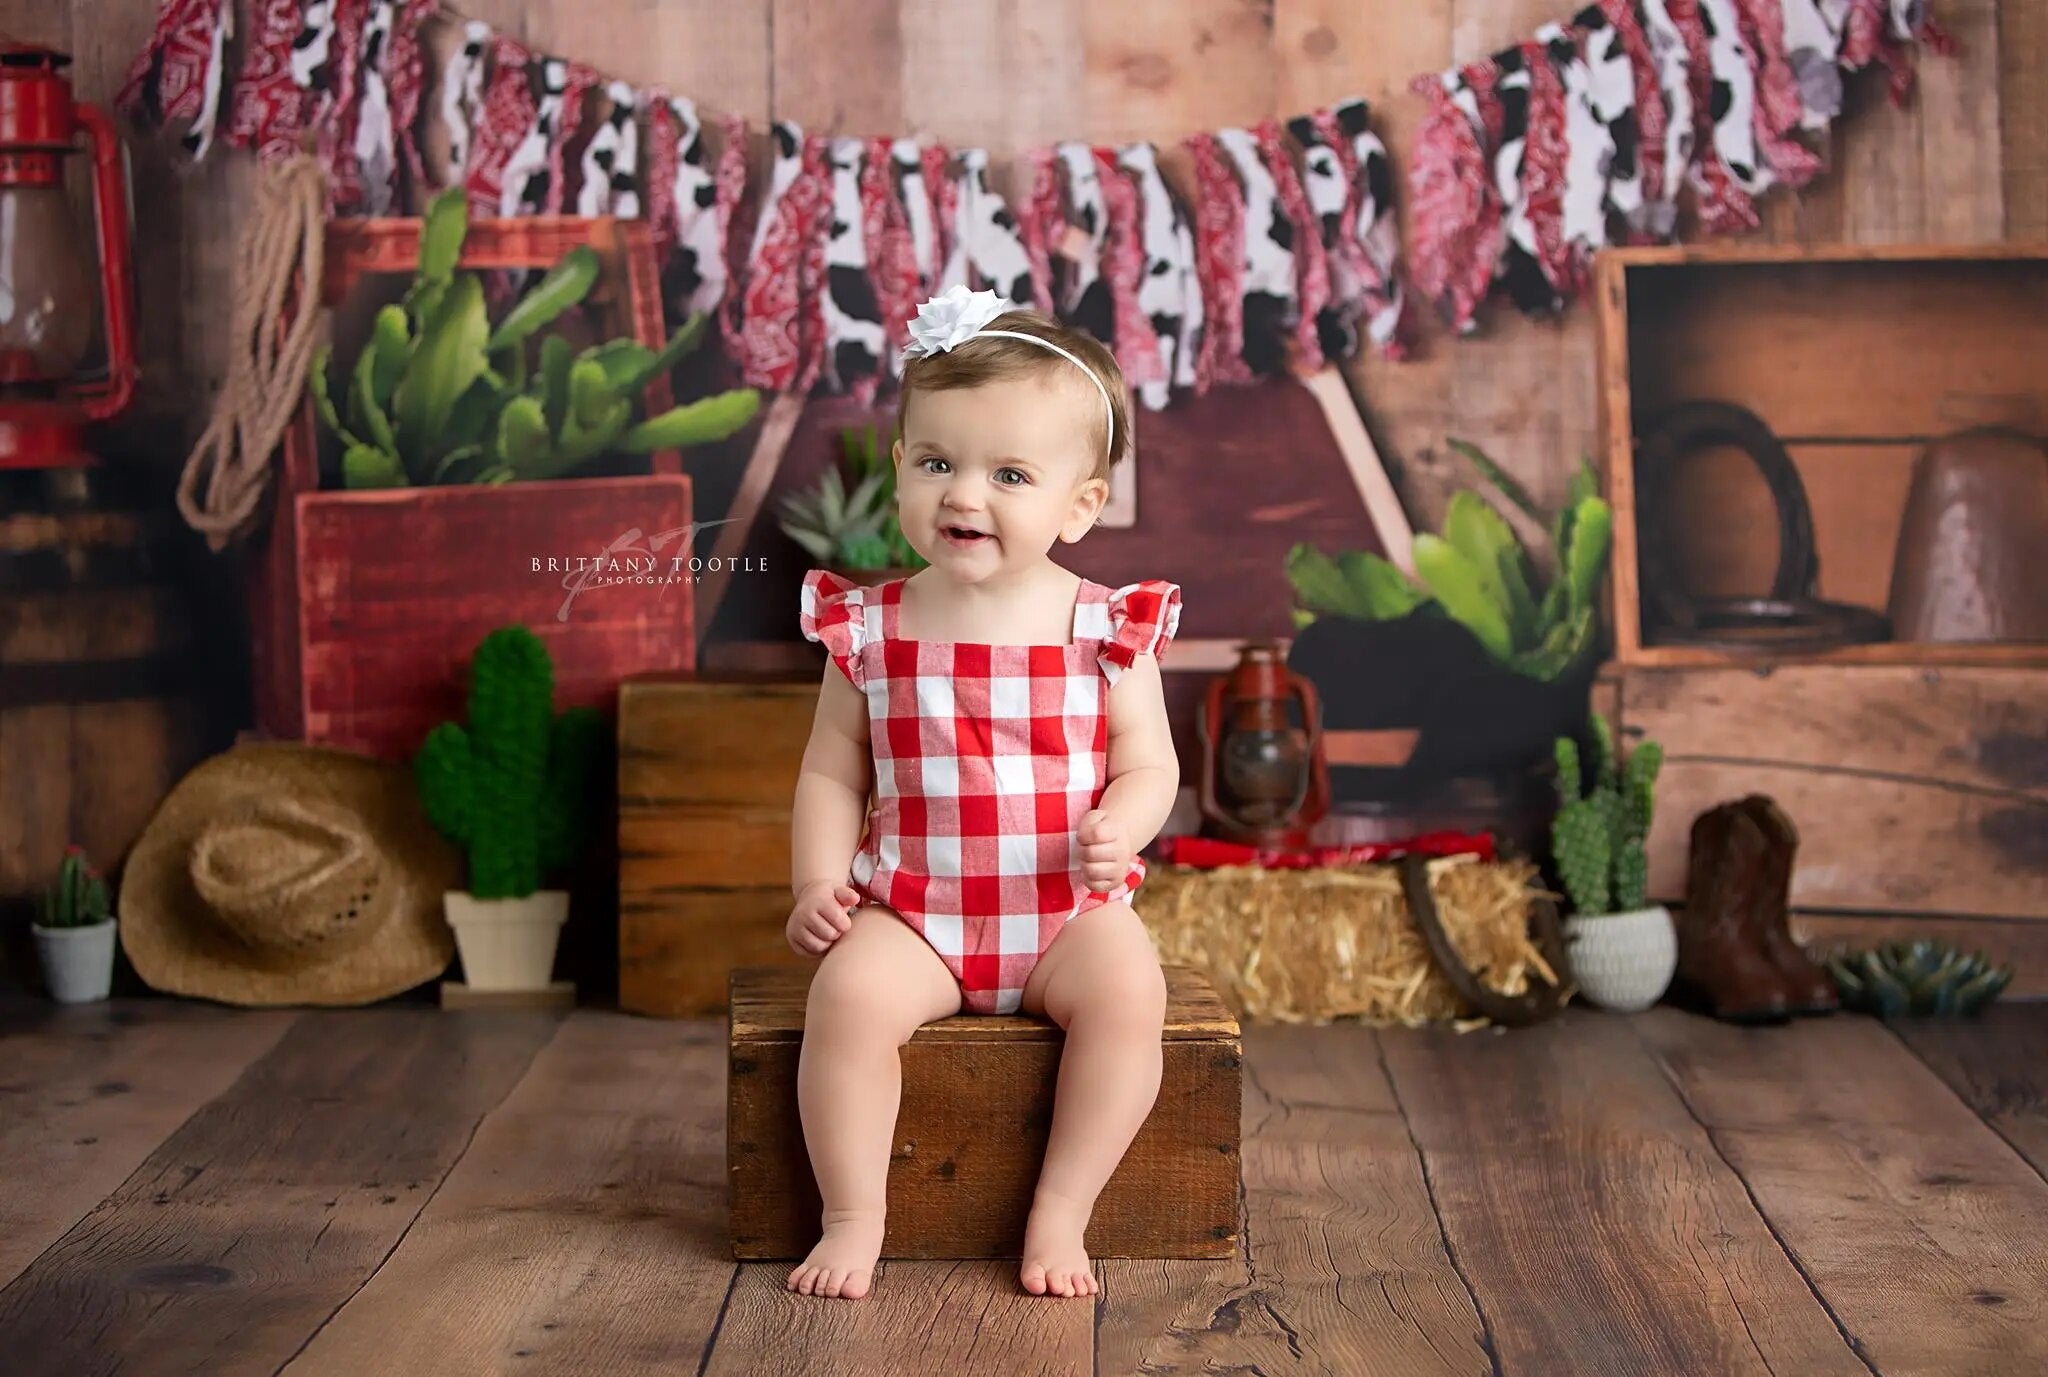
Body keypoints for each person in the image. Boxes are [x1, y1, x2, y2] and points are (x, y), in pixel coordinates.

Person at [786, 286, 1183, 1300]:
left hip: (1062, 912)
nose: (964, 496)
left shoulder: (1103, 628)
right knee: (846, 1002)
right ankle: (852, 1214)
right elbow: (833, 769)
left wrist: (1121, 825)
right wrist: (817, 883)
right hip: (914, 910)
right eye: (936, 464)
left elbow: (1152, 764)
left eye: (1009, 474)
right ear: (899, 468)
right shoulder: (868, 627)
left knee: (1130, 995)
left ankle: (1060, 1208)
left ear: (1078, 504)